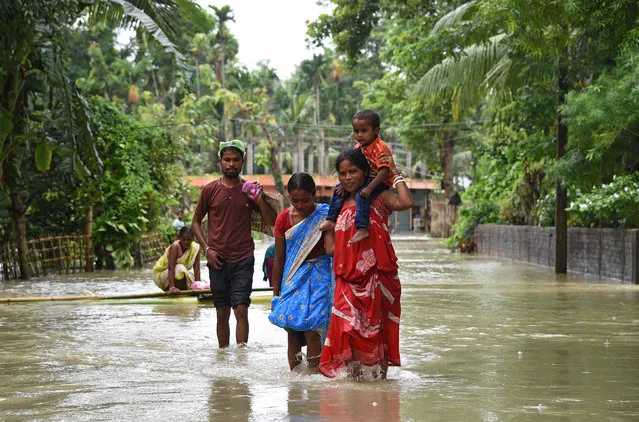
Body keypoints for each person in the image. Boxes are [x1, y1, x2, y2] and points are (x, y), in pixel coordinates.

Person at [318, 148, 413, 380]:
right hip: (345, 278)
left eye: (353, 171)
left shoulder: (377, 198)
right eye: (342, 173)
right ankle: (354, 386)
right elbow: (331, 249)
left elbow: (406, 202)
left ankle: (379, 387)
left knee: (376, 331)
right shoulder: (338, 202)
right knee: (347, 330)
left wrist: (394, 172)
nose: (348, 177)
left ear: (365, 172)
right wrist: (326, 230)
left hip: (376, 276)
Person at [192, 139, 277, 348]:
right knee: (222, 312)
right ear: (220, 162)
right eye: (227, 159)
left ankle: (241, 358)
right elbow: (195, 222)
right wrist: (207, 250)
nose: (231, 164)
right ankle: (223, 357)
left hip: (243, 257)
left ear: (242, 162)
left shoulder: (250, 190)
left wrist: (258, 200)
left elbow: (273, 221)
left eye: (236, 160)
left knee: (241, 308)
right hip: (217, 259)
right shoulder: (210, 190)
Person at [268, 173, 335, 371]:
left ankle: (314, 377)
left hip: (319, 276)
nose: (300, 205)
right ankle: (295, 382)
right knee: (292, 330)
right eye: (295, 200)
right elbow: (280, 258)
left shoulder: (325, 215)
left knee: (313, 329)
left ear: (314, 195)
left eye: (305, 200)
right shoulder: (283, 219)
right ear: (288, 196)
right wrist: (276, 293)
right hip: (293, 276)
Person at [320, 109, 396, 245]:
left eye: (364, 131)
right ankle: (331, 220)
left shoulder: (381, 148)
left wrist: (370, 187)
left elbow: (384, 171)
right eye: (356, 131)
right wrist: (343, 184)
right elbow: (352, 161)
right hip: (367, 178)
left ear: (376, 130)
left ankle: (362, 227)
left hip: (380, 180)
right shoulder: (359, 146)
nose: (359, 135)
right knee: (338, 189)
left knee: (362, 195)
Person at [153, 226, 206, 293]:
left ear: (193, 239)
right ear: (179, 238)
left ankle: (183, 289)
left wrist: (198, 286)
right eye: (183, 239)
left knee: (202, 282)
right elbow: (171, 267)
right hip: (162, 276)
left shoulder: (195, 248)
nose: (186, 242)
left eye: (189, 240)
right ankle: (172, 288)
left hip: (178, 272)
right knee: (180, 268)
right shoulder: (175, 246)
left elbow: (197, 269)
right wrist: (172, 287)